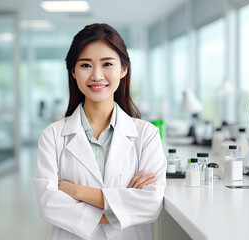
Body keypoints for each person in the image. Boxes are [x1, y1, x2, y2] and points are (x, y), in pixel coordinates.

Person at [34, 23, 166, 240]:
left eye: (107, 64)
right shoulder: (53, 135)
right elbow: (48, 204)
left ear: (123, 70)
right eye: (86, 65)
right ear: (73, 71)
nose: (96, 75)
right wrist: (122, 206)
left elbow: (150, 205)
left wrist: (78, 192)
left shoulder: (146, 134)